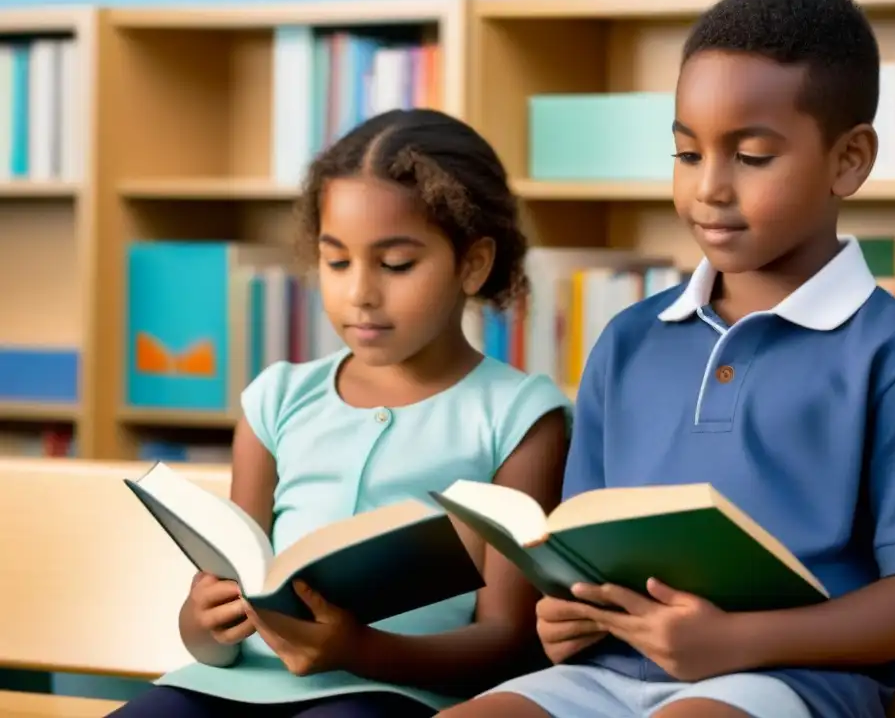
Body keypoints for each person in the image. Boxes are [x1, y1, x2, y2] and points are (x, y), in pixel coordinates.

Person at [438, 0, 895, 718]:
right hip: (610, 674)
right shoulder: (628, 340)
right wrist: (565, 614)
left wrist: (733, 642)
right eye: (687, 154)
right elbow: (578, 548)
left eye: (752, 156)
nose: (709, 190)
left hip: (788, 682)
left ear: (849, 160)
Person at [110, 108, 573, 717]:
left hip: (395, 691)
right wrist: (204, 622)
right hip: (233, 685)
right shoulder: (276, 400)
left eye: (396, 264)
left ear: (473, 264)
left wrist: (361, 650)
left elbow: (509, 643)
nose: (360, 293)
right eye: (336, 261)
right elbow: (228, 590)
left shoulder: (521, 418)